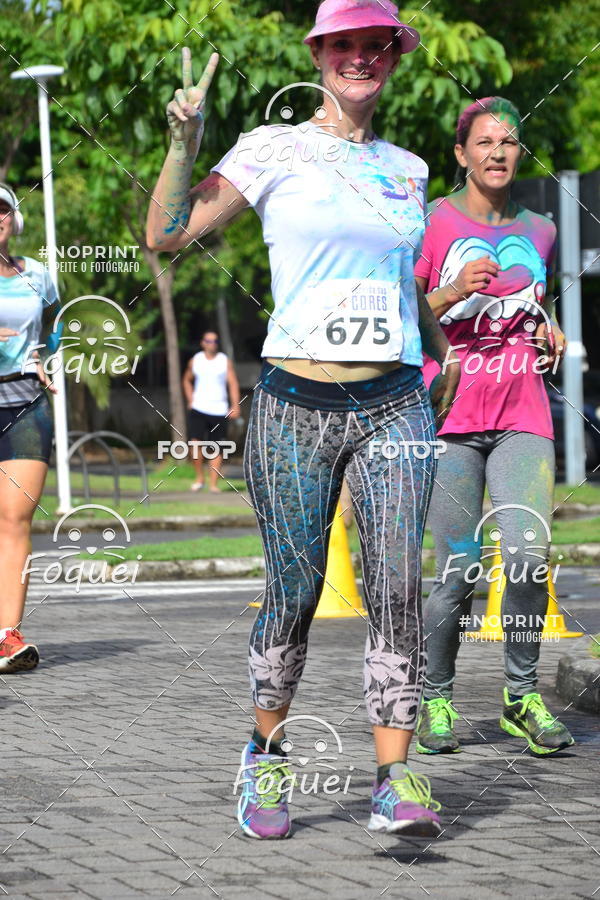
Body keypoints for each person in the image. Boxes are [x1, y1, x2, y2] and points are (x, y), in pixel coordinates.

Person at [147, 0, 460, 839]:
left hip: (395, 401)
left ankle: (396, 780)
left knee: (396, 586)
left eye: (375, 45)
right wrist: (183, 145)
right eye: (344, 45)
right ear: (321, 55)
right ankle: (264, 758)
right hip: (295, 406)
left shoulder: (411, 168)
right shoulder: (272, 146)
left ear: (392, 56)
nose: (360, 58)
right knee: (295, 592)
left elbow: (395, 285)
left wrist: (443, 346)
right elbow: (166, 233)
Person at [414, 97, 574, 757]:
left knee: (530, 558)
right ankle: (436, 699)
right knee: (458, 568)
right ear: (462, 154)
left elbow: (532, 304)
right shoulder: (429, 222)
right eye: (485, 142)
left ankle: (520, 696)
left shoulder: (539, 229)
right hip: (451, 416)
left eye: (509, 142)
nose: (498, 153)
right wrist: (449, 292)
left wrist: (548, 327)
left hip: (523, 412)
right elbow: (401, 310)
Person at [0, 183, 59, 672]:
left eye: (1, 209)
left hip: (25, 402)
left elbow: (56, 327)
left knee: (15, 520)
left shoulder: (37, 274)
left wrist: (48, 354)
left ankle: (8, 637)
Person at [182, 330, 240, 492]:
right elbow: (186, 380)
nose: (211, 344)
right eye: (208, 341)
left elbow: (233, 383)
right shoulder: (195, 361)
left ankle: (213, 484)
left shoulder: (224, 361)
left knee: (216, 447)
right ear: (202, 343)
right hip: (199, 408)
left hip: (219, 409)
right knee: (195, 444)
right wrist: (190, 399)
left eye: (214, 341)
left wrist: (235, 405)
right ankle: (199, 478)